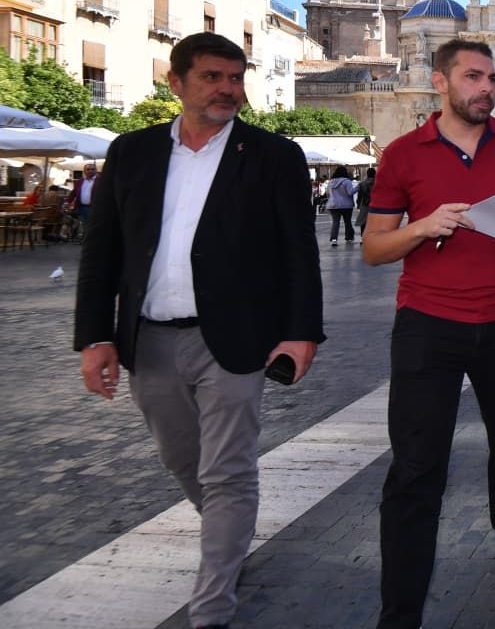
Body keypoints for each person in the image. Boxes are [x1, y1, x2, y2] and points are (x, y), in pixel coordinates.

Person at [74, 32, 323, 629]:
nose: (228, 90)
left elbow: (298, 253)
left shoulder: (272, 155)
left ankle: (212, 608)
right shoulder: (131, 153)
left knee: (227, 471)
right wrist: (94, 336)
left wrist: (301, 331)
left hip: (237, 340)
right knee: (181, 458)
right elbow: (101, 251)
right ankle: (227, 540)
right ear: (177, 82)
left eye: (235, 79)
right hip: (151, 339)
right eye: (213, 77)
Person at [362, 39, 495, 629]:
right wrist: (422, 227)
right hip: (428, 326)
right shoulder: (402, 154)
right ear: (440, 82)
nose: (488, 88)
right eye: (474, 77)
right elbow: (374, 247)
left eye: (493, 78)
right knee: (418, 466)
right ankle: (400, 609)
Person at [325, 165, 357, 246]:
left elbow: (327, 194)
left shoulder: (331, 182)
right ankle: (349, 238)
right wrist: (358, 188)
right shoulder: (347, 181)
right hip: (346, 205)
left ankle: (334, 239)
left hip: (333, 205)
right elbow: (350, 192)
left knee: (335, 222)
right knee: (347, 222)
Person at [65, 162, 100, 231]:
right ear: (84, 171)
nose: (90, 171)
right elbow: (74, 192)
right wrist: (67, 202)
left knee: (92, 226)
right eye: (88, 169)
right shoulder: (80, 181)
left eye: (92, 169)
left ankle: (90, 240)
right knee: (84, 225)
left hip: (94, 208)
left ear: (96, 170)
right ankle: (85, 240)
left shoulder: (100, 181)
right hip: (81, 207)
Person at [355, 166, 377, 234]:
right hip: (376, 204)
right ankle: (373, 235)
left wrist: (358, 205)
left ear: (367, 174)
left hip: (364, 203)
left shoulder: (362, 183)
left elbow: (359, 195)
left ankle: (363, 236)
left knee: (363, 220)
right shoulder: (378, 183)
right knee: (375, 220)